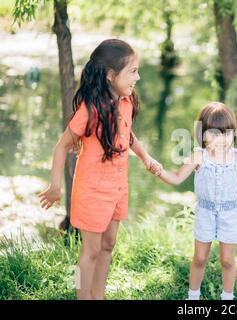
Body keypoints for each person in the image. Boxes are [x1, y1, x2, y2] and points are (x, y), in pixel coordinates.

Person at [39, 39, 162, 300]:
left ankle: (98, 296)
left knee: (109, 244)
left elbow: (128, 136)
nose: (137, 77)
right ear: (110, 75)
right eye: (132, 71)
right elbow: (62, 147)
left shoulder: (126, 102)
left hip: (118, 187)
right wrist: (55, 186)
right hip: (92, 191)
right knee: (90, 252)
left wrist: (145, 157)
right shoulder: (89, 110)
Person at [157, 101, 237, 300]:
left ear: (233, 133)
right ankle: (193, 296)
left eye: (226, 133)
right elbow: (176, 177)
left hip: (229, 213)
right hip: (205, 213)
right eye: (214, 134)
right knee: (200, 258)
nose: (221, 139)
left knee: (227, 260)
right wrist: (158, 170)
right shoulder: (199, 156)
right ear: (203, 134)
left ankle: (227, 297)